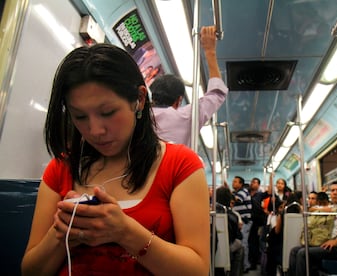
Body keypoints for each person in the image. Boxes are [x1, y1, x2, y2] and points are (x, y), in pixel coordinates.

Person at [21, 44, 210, 275]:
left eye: (108, 113)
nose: (95, 130)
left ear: (139, 100)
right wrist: (60, 235)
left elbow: (198, 270)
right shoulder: (61, 168)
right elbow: (30, 271)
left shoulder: (181, 165)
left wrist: (125, 232)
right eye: (80, 116)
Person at [150, 25, 228, 148]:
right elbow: (217, 94)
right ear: (179, 100)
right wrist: (209, 51)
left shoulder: (135, 117)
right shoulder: (186, 116)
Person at [289, 181, 337, 276]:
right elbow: (319, 208)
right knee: (294, 251)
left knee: (303, 253)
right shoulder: (336, 207)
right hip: (330, 243)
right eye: (332, 190)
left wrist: (335, 242)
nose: (334, 193)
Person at [216, 186, 244, 276]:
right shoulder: (232, 215)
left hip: (209, 248)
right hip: (225, 247)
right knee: (240, 245)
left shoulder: (209, 211)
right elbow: (236, 236)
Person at [231, 176, 252, 273]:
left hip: (244, 221)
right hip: (238, 222)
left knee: (243, 243)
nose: (233, 183)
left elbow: (238, 199)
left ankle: (245, 266)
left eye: (235, 182)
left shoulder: (243, 191)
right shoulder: (235, 193)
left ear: (240, 184)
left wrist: (227, 193)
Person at [248, 177, 269, 271]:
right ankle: (251, 261)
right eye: (252, 182)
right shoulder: (246, 194)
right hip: (249, 220)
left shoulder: (260, 194)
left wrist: (271, 178)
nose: (252, 183)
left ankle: (255, 261)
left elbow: (269, 193)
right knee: (249, 241)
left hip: (258, 221)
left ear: (258, 185)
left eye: (255, 182)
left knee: (256, 242)